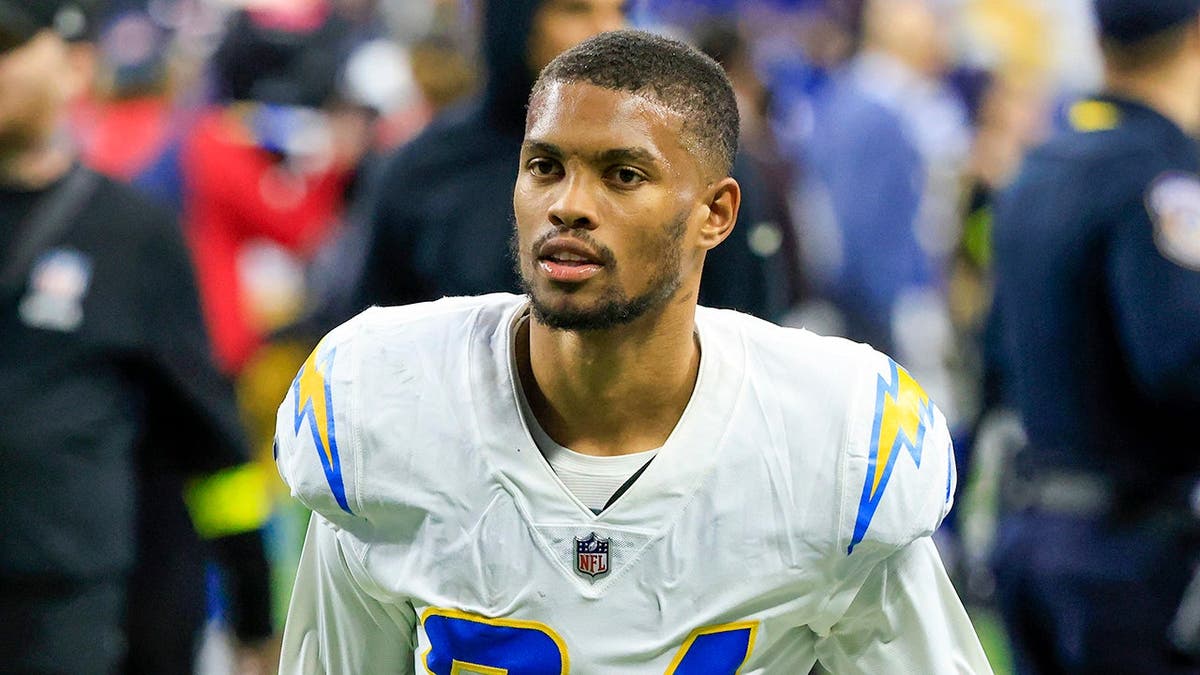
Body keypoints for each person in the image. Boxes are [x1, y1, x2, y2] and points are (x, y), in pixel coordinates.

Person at [274, 30, 990, 672]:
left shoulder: (831, 442)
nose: (568, 205)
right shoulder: (386, 408)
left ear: (716, 213)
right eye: (545, 166)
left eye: (622, 174)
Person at [0, 2, 275, 673]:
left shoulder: (131, 232)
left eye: (7, 46)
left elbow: (206, 432)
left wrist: (253, 605)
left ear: (75, 67)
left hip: (63, 604)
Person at [350, 0, 792, 325]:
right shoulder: (424, 171)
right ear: (513, 22)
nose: (607, 31)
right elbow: (380, 347)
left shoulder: (691, 160)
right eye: (576, 9)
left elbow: (747, 336)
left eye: (620, 9)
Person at [989, 1, 1200, 672]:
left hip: (1033, 529)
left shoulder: (1041, 165)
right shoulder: (1162, 172)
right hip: (1131, 553)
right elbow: (1180, 361)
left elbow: (995, 356)